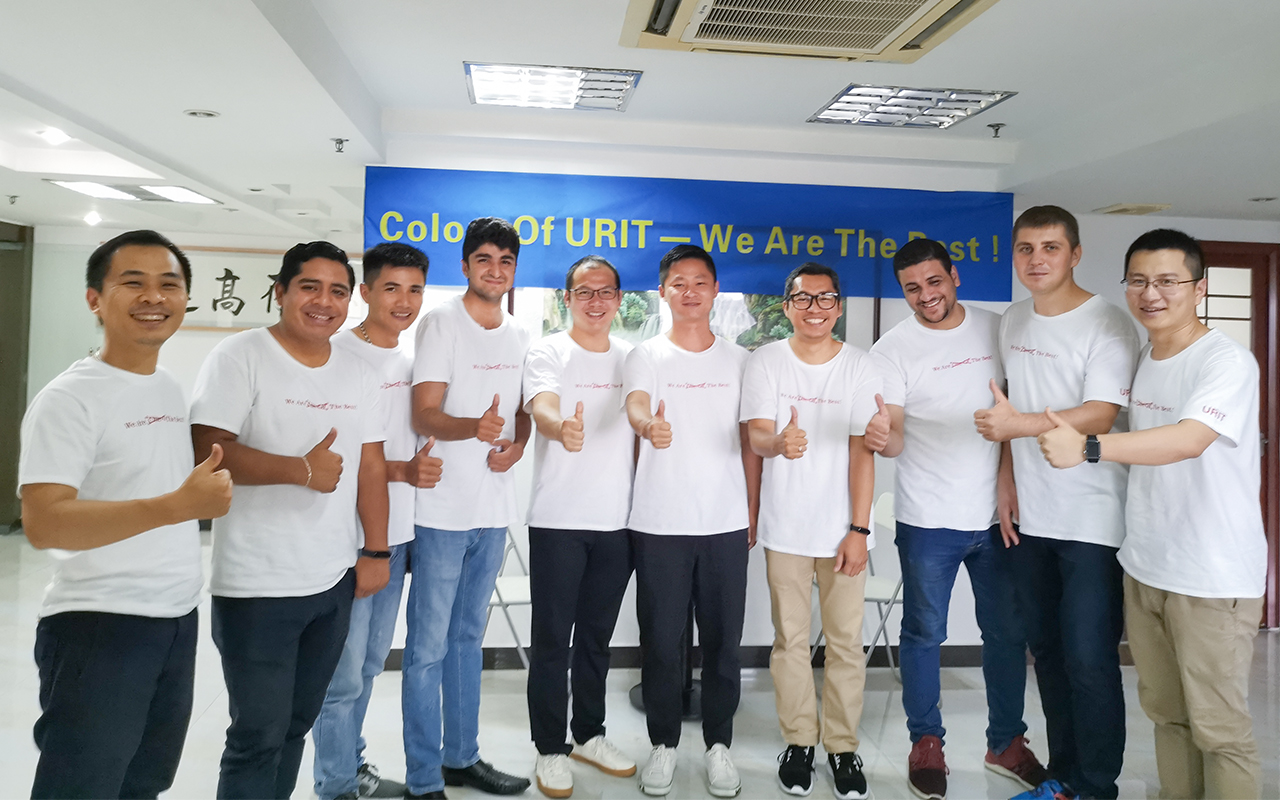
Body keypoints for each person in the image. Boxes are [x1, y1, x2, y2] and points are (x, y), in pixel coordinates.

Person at [1038, 229, 1266, 800]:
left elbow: (1189, 439)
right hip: (1146, 567)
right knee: (1168, 716)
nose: (1151, 294)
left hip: (1211, 577)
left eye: (1167, 281)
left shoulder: (1226, 362)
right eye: (1138, 281)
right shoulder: (1145, 358)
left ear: (1199, 288)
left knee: (1220, 732)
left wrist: (1089, 448)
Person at [18, 230, 232, 800]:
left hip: (174, 618)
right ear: (95, 299)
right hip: (100, 624)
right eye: (133, 283)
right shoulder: (69, 398)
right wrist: (175, 507)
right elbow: (45, 522)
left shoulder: (165, 386)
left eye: (169, 284)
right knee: (82, 786)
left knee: (143, 783)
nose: (154, 297)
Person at [191, 241, 391, 800]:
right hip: (257, 585)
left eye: (338, 292)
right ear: (280, 291)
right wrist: (300, 470)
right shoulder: (240, 356)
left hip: (332, 581)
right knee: (257, 734)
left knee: (297, 725)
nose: (324, 301)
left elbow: (370, 465)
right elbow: (208, 450)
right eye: (310, 287)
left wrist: (376, 550)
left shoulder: (359, 372)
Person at [867, 239, 1047, 800]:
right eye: (912, 288)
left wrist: (1007, 480)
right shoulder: (891, 350)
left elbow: (1014, 415)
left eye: (934, 282)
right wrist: (881, 437)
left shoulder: (997, 328)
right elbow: (895, 435)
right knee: (924, 633)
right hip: (928, 518)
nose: (926, 295)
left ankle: (1006, 743)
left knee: (1007, 633)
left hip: (997, 518)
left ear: (955, 277)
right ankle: (926, 743)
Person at [973, 206, 1139, 800]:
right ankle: (1064, 776)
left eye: (1050, 248)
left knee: (1090, 658)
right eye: (1025, 249)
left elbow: (1101, 413)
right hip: (1031, 517)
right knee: (1045, 652)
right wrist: (1006, 479)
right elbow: (1011, 401)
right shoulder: (1014, 320)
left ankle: (1096, 785)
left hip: (1092, 519)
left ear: (1075, 254)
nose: (1036, 259)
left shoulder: (1107, 323)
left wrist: (1016, 426)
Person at [624, 244, 762, 798]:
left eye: (700, 282)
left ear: (714, 290)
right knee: (661, 639)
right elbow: (637, 404)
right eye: (678, 282)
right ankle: (662, 744)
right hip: (660, 523)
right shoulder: (647, 355)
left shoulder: (741, 360)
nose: (689, 291)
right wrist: (647, 426)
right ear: (663, 292)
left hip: (725, 521)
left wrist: (752, 509)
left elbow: (751, 442)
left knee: (725, 640)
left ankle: (719, 745)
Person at [404, 217, 532, 799]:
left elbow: (525, 408)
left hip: (492, 512)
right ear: (465, 266)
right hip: (441, 511)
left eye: (505, 261)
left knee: (466, 642)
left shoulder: (520, 333)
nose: (495, 270)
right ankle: (423, 776)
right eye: (484, 259)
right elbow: (424, 413)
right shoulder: (440, 323)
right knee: (427, 649)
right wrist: (472, 428)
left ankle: (462, 757)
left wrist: (518, 444)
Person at [741, 262, 879, 800]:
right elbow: (756, 436)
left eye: (825, 299)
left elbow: (863, 452)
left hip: (842, 531)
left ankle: (842, 747)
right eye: (803, 299)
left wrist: (859, 529)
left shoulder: (860, 366)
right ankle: (799, 742)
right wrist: (780, 443)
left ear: (838, 307)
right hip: (786, 530)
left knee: (845, 644)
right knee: (790, 643)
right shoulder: (766, 361)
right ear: (787, 307)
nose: (814, 308)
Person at [311, 242, 442, 800]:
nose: (404, 301)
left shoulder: (410, 363)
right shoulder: (337, 356)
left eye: (415, 290)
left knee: (367, 665)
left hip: (398, 535)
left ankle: (351, 764)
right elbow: (338, 458)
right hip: (352, 539)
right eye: (391, 288)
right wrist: (402, 471)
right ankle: (335, 784)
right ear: (365, 292)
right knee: (342, 675)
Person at [523, 256, 637, 798]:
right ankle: (550, 749)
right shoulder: (549, 351)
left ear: (619, 300)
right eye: (585, 292)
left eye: (606, 292)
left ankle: (589, 734)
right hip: (558, 521)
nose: (596, 301)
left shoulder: (632, 357)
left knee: (596, 639)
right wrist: (558, 425)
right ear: (567, 298)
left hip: (618, 523)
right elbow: (543, 404)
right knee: (552, 640)